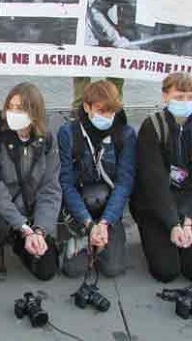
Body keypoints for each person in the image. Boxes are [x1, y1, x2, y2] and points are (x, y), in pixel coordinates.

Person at [130, 72, 192, 283]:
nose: (185, 102)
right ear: (165, 97)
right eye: (179, 97)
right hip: (154, 204)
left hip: (187, 201)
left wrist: (187, 220)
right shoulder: (152, 127)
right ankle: (154, 234)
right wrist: (172, 223)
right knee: (165, 271)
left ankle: (186, 229)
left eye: (190, 97)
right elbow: (153, 180)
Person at [0, 82, 61, 281]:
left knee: (47, 270)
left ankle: (22, 244)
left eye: (21, 109)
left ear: (34, 112)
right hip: (0, 209)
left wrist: (39, 230)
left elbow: (51, 189)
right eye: (10, 107)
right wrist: (23, 227)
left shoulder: (47, 140)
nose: (13, 113)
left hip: (31, 210)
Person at [58, 80, 136, 278]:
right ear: (87, 107)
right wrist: (87, 222)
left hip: (108, 205)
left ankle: (107, 236)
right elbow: (66, 183)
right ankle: (82, 237)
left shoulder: (125, 134)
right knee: (74, 269)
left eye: (111, 112)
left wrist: (105, 222)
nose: (107, 117)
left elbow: (124, 183)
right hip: (80, 206)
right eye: (101, 111)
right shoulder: (68, 133)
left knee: (113, 269)